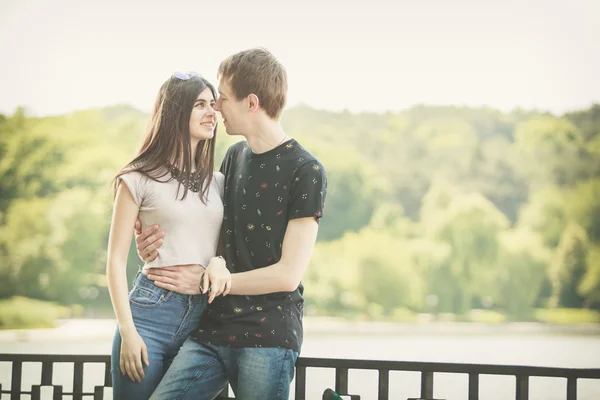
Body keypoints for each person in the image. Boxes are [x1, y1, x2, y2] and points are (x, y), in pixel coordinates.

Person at [135, 48, 327, 400]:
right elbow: (214, 235)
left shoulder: (306, 170)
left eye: (222, 97)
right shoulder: (233, 157)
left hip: (267, 336)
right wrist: (155, 243)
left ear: (251, 102)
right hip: (213, 330)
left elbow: (287, 275)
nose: (217, 106)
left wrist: (209, 280)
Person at [106, 71, 232, 400]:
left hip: (204, 322)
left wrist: (217, 263)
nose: (212, 113)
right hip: (149, 317)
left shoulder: (218, 182)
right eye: (200, 105)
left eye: (213, 105)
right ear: (176, 112)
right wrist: (128, 332)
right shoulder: (137, 178)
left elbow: (225, 247)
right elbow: (116, 260)